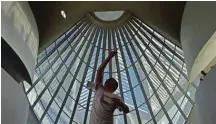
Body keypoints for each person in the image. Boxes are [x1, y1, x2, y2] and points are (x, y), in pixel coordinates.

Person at [89, 51, 129, 124]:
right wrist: (109, 57)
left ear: (113, 87)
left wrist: (120, 103)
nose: (106, 80)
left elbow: (126, 110)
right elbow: (99, 71)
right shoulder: (99, 88)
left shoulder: (116, 98)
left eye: (109, 80)